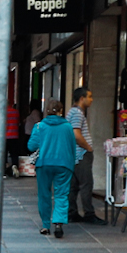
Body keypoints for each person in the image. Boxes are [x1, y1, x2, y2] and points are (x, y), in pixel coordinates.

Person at [27, 99, 79, 238]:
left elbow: (31, 146)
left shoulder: (39, 126)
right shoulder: (68, 127)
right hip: (64, 164)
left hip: (43, 164)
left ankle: (45, 225)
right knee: (61, 194)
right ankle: (58, 222)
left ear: (46, 111)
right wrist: (72, 163)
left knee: (44, 194)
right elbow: (72, 146)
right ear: (61, 111)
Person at [71, 88, 102, 222]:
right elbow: (76, 134)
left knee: (74, 185)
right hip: (81, 153)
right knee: (86, 184)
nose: (92, 99)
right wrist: (88, 147)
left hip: (75, 154)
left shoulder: (72, 112)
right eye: (89, 97)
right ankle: (89, 213)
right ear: (82, 98)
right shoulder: (77, 114)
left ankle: (71, 213)